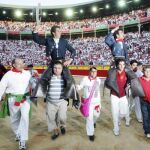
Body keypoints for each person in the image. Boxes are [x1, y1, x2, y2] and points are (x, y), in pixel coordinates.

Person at [32, 25, 80, 106]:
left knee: (70, 80)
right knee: (43, 78)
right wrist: (35, 31)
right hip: (53, 63)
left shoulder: (64, 41)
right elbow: (37, 40)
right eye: (58, 31)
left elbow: (73, 51)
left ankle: (76, 101)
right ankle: (35, 97)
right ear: (53, 33)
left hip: (63, 63)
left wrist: (70, 60)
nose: (60, 32)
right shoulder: (48, 40)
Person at [0, 58, 31, 150]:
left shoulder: (27, 73)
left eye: (23, 63)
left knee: (25, 117)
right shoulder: (7, 75)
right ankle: (18, 133)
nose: (22, 65)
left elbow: (33, 84)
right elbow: (1, 87)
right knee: (14, 119)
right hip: (13, 99)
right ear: (13, 65)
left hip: (25, 98)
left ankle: (22, 140)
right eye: (19, 64)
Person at [45, 61, 69, 140]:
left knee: (62, 117)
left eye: (59, 68)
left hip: (62, 101)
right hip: (50, 102)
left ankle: (62, 125)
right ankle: (56, 131)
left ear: (62, 69)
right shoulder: (48, 77)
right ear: (52, 68)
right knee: (51, 118)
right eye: (55, 68)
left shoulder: (66, 78)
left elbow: (71, 88)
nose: (57, 70)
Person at [77, 67, 101, 141]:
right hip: (88, 103)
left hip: (97, 103)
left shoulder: (98, 80)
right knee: (89, 118)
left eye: (95, 72)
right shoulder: (85, 79)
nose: (94, 73)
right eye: (92, 72)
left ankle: (94, 122)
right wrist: (76, 87)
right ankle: (90, 133)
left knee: (97, 115)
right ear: (89, 72)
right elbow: (80, 87)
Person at [139, 67, 150, 138]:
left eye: (149, 71)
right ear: (143, 72)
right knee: (145, 116)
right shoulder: (139, 79)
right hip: (144, 101)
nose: (148, 73)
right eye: (146, 71)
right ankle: (147, 131)